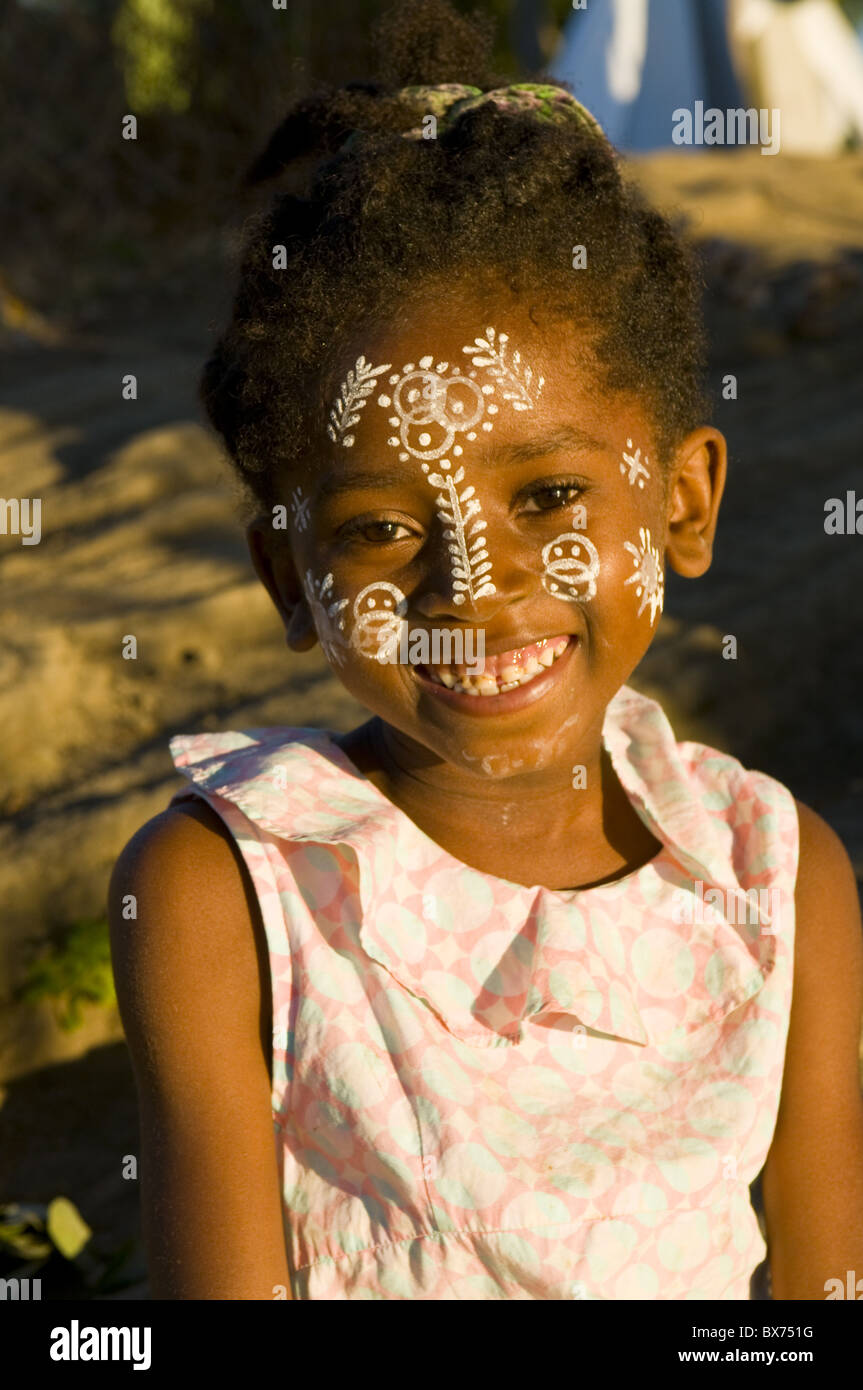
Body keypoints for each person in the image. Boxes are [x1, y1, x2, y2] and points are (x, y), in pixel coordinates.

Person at [108, 0, 863, 1301]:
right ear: (291, 576)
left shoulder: (779, 877)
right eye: (383, 527)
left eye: (551, 498)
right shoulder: (233, 896)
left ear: (682, 504)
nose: (477, 580)